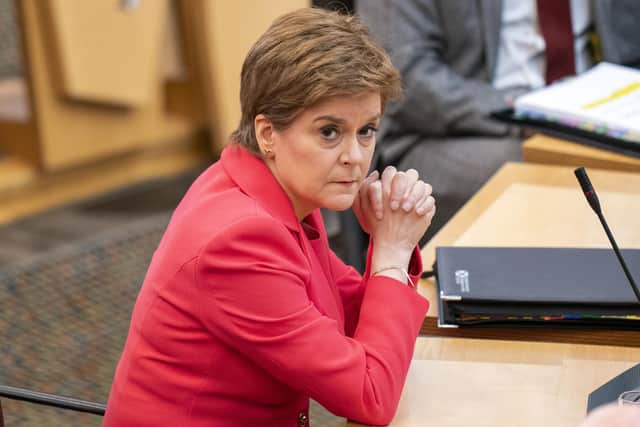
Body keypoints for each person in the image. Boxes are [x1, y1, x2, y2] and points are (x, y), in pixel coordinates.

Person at [102, 8, 436, 427]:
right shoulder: (241, 240)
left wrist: (390, 245)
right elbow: (370, 394)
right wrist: (390, 250)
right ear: (267, 133)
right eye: (329, 132)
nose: (354, 157)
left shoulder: (270, 187)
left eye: (366, 130)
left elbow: (350, 318)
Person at [358, 0, 640, 243]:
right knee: (564, 178)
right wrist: (524, 113)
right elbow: (408, 81)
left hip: (588, 112)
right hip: (452, 131)